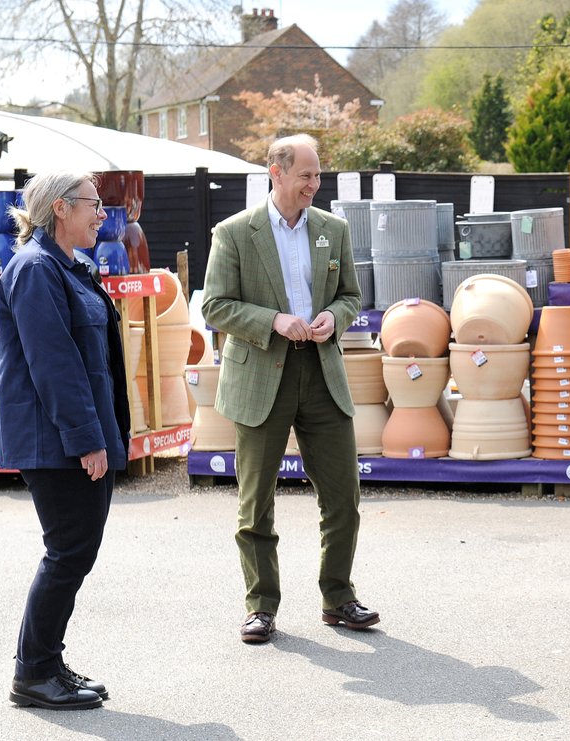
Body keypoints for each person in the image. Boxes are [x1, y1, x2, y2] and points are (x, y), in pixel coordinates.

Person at [202, 134, 376, 644]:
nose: (314, 185)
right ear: (275, 173)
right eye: (305, 175)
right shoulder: (234, 232)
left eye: (318, 175)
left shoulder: (332, 230)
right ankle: (260, 606)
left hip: (321, 374)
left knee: (343, 496)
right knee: (256, 504)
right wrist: (273, 320)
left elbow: (351, 296)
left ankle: (338, 598)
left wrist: (333, 317)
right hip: (260, 375)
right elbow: (215, 307)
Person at [0, 172, 130, 709]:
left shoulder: (65, 266)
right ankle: (33, 674)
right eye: (93, 205)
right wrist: (86, 440)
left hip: (72, 436)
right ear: (60, 208)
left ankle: (47, 663)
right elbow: (55, 365)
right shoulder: (35, 270)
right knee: (68, 552)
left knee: (74, 552)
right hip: (55, 442)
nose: (102, 214)